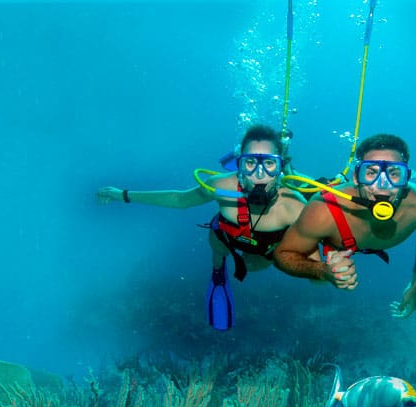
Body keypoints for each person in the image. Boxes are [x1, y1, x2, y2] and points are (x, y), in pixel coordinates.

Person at [96, 124, 307, 330]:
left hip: (265, 249)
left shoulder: (294, 205)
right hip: (228, 235)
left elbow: (320, 242)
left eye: (269, 164)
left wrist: (328, 271)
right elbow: (181, 200)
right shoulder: (221, 186)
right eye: (250, 162)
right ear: (240, 164)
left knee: (252, 267)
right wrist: (123, 195)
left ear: (280, 167)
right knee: (218, 241)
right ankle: (218, 273)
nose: (259, 175)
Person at [272, 133, 416, 319]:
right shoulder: (323, 209)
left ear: (406, 179)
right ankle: (288, 168)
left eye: (394, 173)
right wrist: (322, 271)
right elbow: (281, 255)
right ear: (356, 176)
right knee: (314, 279)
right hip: (329, 222)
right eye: (371, 172)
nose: (382, 186)